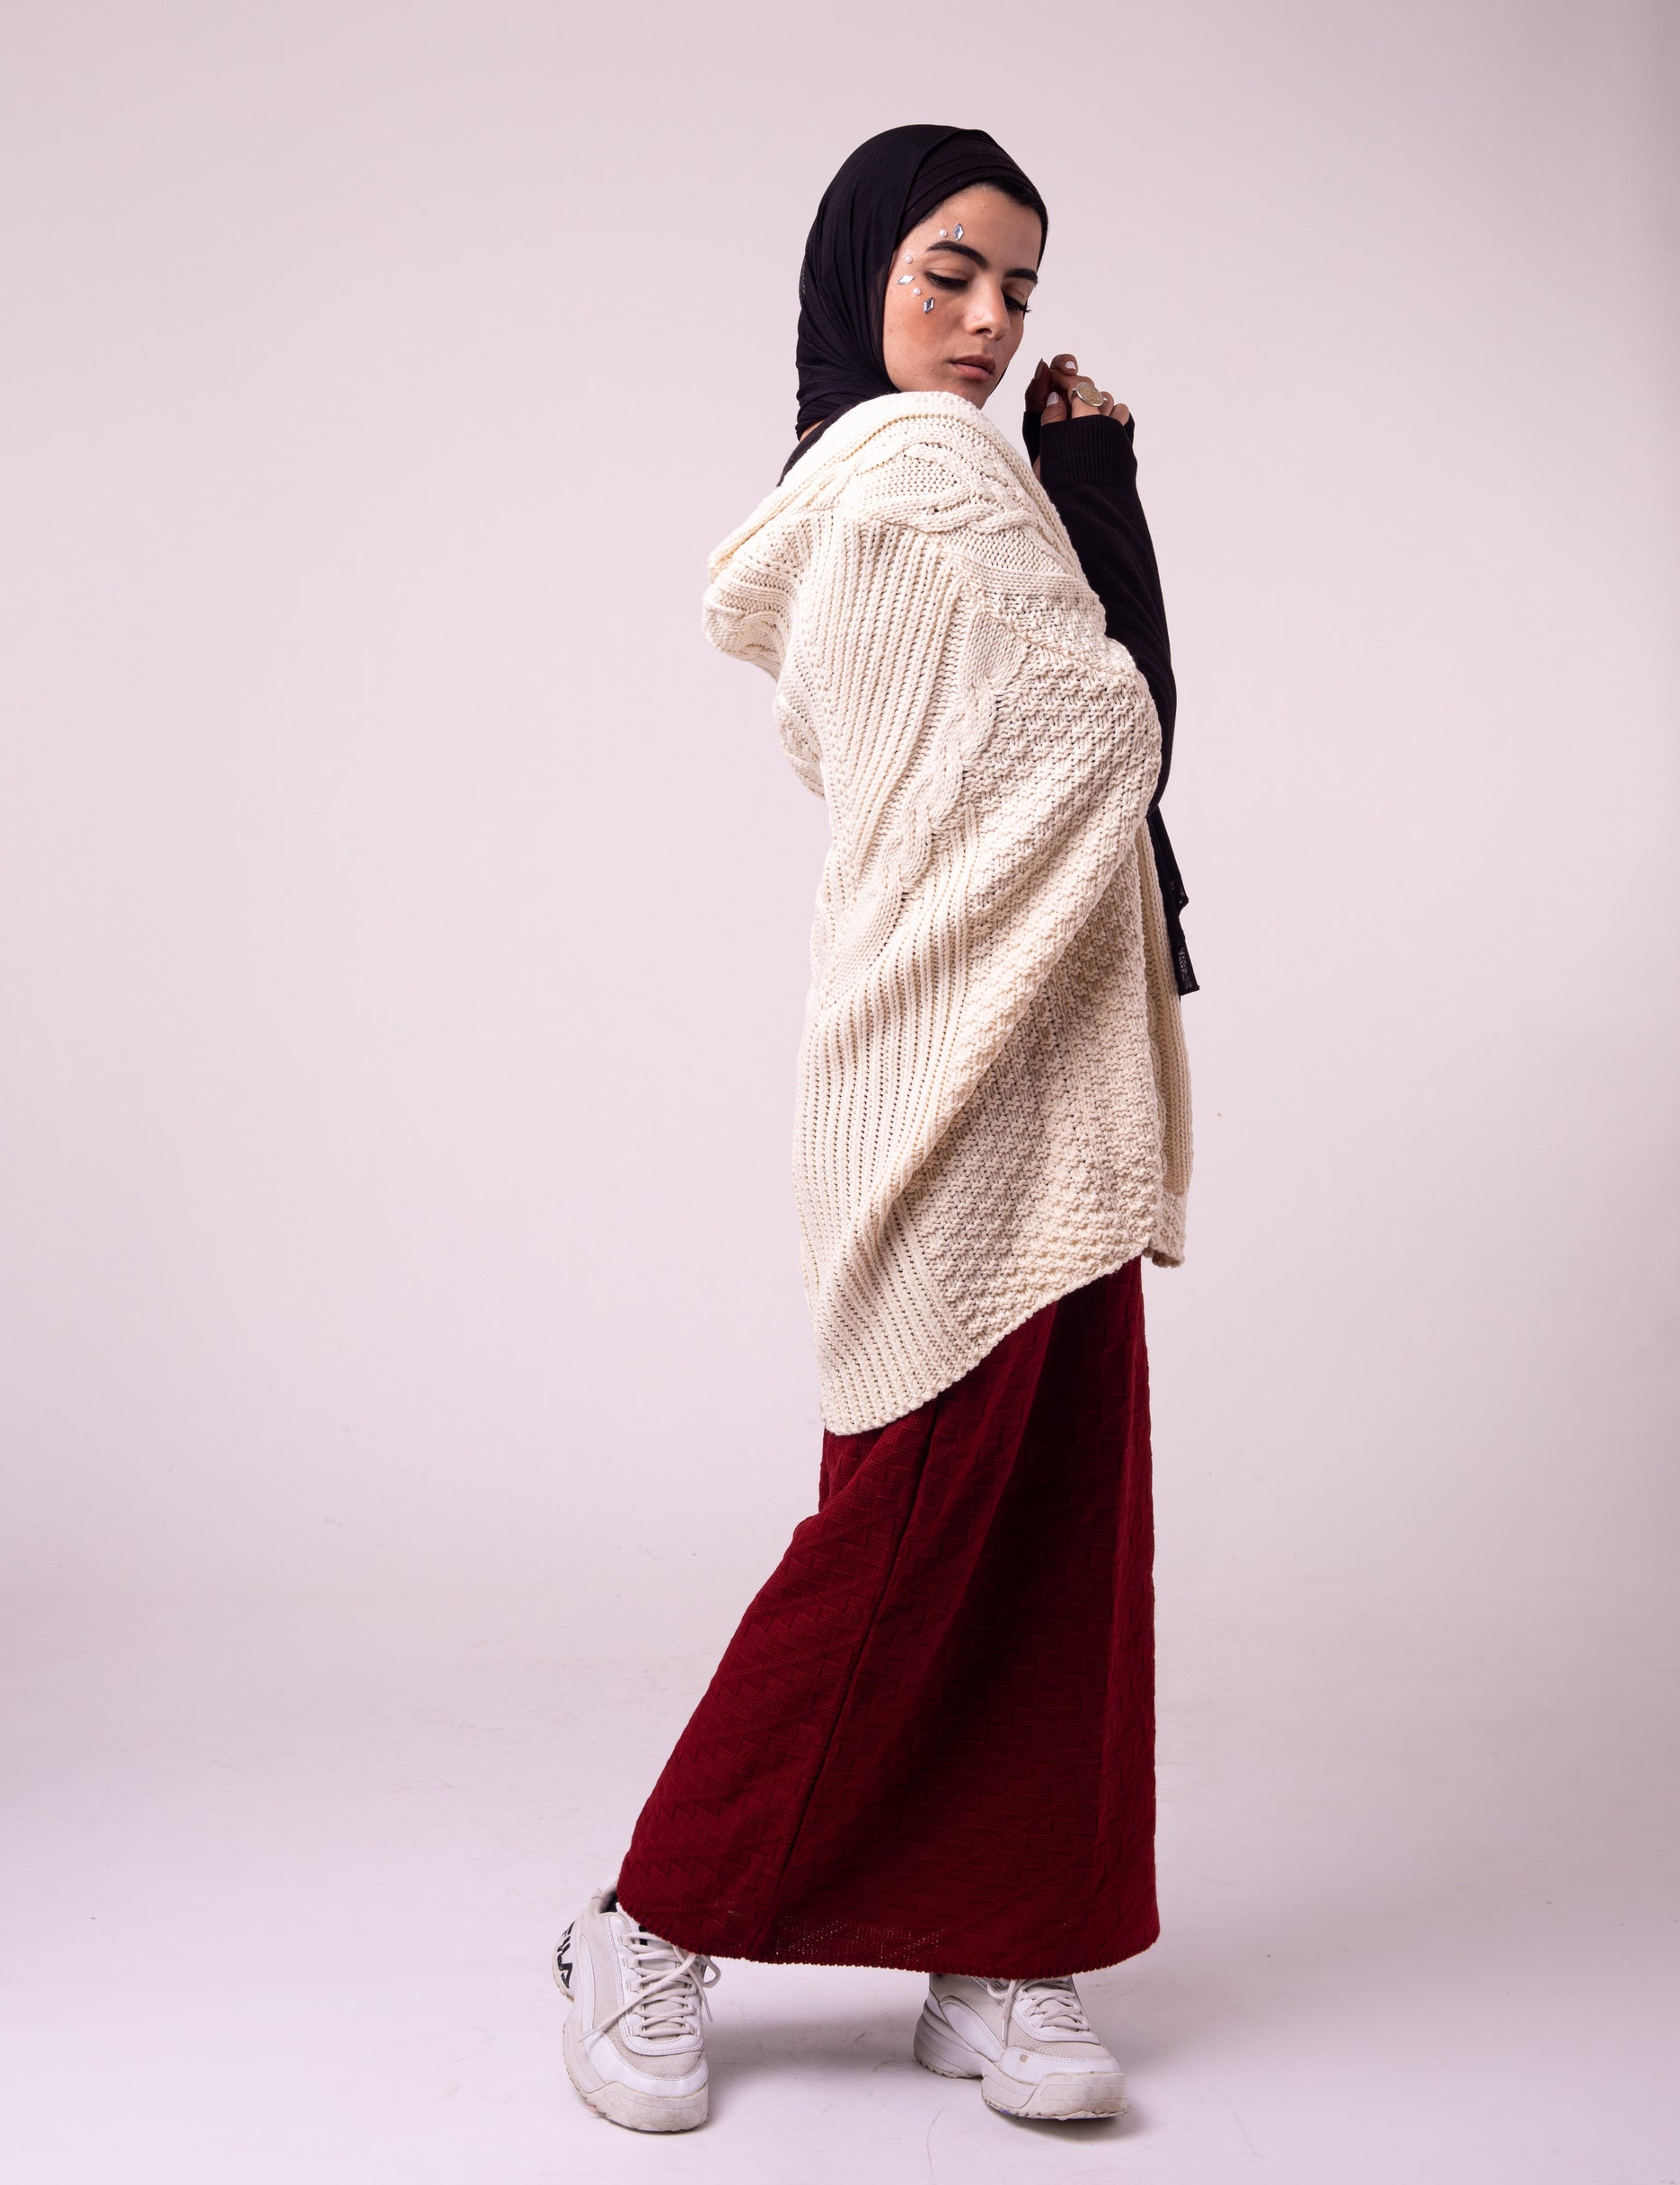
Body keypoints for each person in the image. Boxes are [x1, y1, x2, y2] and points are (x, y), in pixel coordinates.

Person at [553, 122, 1195, 2136]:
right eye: (948, 273)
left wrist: (1078, 504)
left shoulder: (879, 487)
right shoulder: (919, 472)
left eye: (1017, 286)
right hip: (959, 1061)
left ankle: (996, 1942)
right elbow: (1109, 729)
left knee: (1055, 1529)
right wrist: (1102, 499)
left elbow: (1057, 743)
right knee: (916, 1521)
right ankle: (650, 1917)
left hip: (1022, 1050)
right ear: (859, 274)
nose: (989, 322)